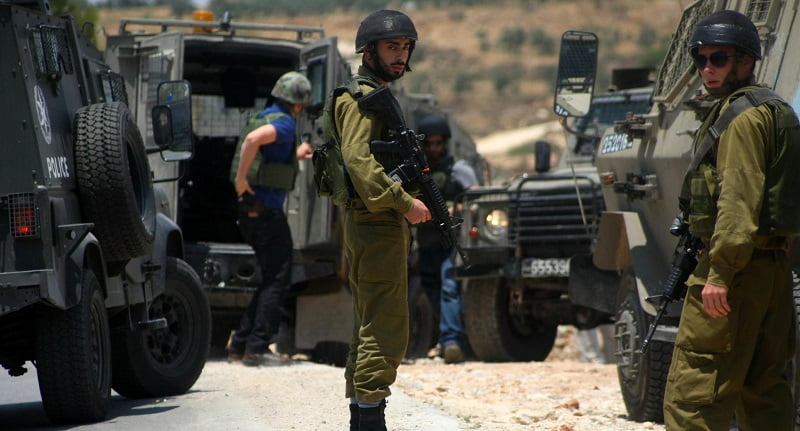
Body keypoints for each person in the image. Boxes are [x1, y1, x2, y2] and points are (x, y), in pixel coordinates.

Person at [663, 10, 800, 429]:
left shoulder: (741, 119)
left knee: (694, 396)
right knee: (766, 392)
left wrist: (720, 274)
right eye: (700, 59)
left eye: (718, 58)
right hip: (773, 271)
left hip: (735, 274)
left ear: (746, 60)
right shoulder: (776, 110)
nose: (707, 69)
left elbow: (739, 201)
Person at [324, 9, 430, 431]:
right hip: (377, 220)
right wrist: (405, 202)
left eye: (404, 47)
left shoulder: (374, 94)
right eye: (391, 47)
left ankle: (362, 417)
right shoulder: (360, 98)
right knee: (385, 328)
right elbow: (358, 162)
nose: (400, 55)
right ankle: (370, 420)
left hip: (375, 221)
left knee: (371, 324)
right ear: (369, 51)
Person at [226, 71, 312, 367]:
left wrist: (297, 154)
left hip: (252, 211)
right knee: (278, 279)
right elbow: (253, 140)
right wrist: (240, 180)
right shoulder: (285, 123)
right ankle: (257, 347)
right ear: (298, 105)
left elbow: (268, 153)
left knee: (269, 277)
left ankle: (240, 344)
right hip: (266, 212)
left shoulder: (264, 116)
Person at [415, 114, 478, 364]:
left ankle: (452, 341)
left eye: (438, 143)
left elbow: (477, 200)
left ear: (445, 143)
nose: (433, 149)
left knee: (450, 286)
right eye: (428, 144)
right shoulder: (417, 170)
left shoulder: (459, 169)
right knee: (431, 287)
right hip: (426, 239)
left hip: (452, 240)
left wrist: (455, 209)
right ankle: (448, 338)